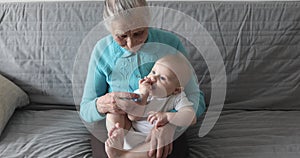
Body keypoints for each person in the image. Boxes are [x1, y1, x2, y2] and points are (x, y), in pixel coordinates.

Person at [79, 0, 206, 157]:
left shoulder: (170, 44)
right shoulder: (102, 50)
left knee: (164, 152)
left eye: (138, 33)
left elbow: (196, 98)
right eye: (121, 36)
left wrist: (169, 123)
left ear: (148, 21)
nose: (131, 43)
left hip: (158, 125)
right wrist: (102, 104)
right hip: (118, 130)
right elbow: (85, 109)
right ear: (110, 30)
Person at [105, 53, 197, 158]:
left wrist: (168, 117)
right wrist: (143, 95)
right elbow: (132, 116)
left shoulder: (176, 98)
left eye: (162, 78)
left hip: (150, 139)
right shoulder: (142, 91)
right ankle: (117, 135)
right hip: (128, 131)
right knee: (114, 112)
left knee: (156, 149)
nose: (153, 78)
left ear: (176, 90)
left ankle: (121, 156)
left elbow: (191, 117)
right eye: (153, 72)